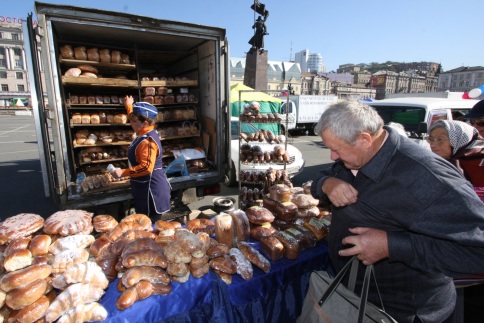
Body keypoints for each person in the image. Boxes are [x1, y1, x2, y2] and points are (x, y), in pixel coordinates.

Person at [310, 99, 484, 323]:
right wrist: (327, 183)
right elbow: (324, 175)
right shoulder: (355, 159)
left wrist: (390, 245)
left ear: (365, 139)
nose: (333, 157)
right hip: (357, 298)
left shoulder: (427, 178)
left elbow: (478, 252)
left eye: (337, 149)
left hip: (403, 312)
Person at [111, 95, 171, 220]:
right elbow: (135, 116)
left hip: (151, 191)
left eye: (133, 121)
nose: (130, 123)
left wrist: (123, 173)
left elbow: (146, 168)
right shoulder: (143, 130)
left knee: (150, 226)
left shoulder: (147, 142)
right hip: (143, 188)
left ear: (144, 123)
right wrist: (129, 106)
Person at [427, 120, 484, 187]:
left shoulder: (480, 163)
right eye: (431, 139)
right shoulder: (434, 164)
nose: (433, 145)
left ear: (460, 139)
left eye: (440, 139)